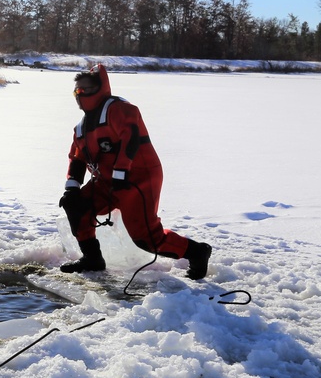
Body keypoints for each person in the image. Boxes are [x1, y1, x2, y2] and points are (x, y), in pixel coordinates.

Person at [58, 63, 212, 279]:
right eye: (77, 90)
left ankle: (197, 252)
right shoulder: (81, 129)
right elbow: (76, 158)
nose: (81, 94)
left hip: (138, 177)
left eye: (86, 89)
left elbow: (130, 140)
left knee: (146, 238)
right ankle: (92, 258)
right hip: (107, 181)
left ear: (101, 87)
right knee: (77, 207)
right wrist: (71, 188)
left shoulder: (120, 110)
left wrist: (121, 174)